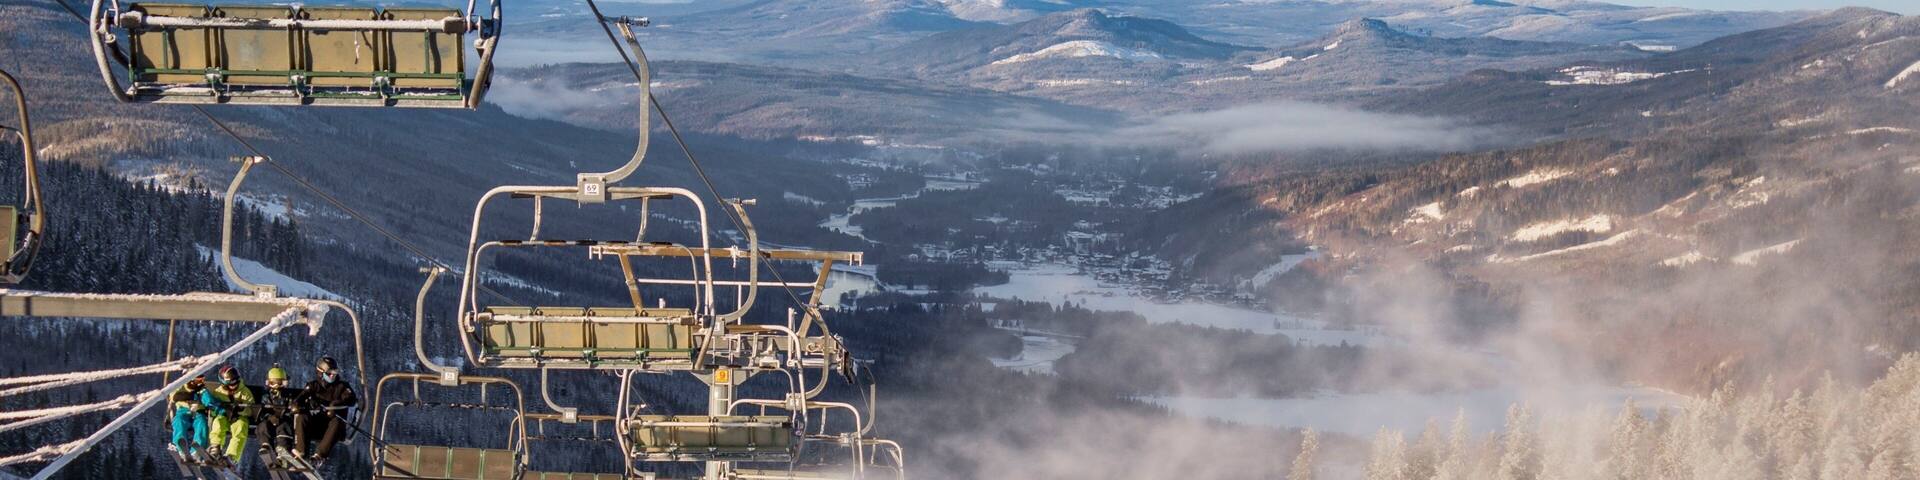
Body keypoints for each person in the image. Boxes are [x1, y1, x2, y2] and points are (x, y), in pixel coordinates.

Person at [293, 356, 357, 466]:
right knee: (302, 417)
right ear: (320, 372)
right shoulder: (313, 386)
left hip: (333, 428)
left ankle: (319, 456)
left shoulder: (342, 386)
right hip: (316, 424)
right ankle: (301, 452)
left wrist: (337, 404)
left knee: (336, 422)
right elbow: (300, 398)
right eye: (329, 373)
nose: (332, 375)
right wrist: (297, 406)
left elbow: (351, 399)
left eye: (334, 372)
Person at [202, 364, 254, 466]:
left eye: (236, 382)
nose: (234, 386)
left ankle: (232, 456)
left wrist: (241, 410)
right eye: (231, 384)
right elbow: (213, 407)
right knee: (218, 422)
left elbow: (251, 408)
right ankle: (215, 447)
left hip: (239, 417)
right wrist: (217, 409)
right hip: (225, 416)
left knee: (241, 428)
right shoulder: (219, 392)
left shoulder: (244, 392)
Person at [254, 364, 302, 466]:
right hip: (270, 423)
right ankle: (266, 445)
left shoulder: (289, 396)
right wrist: (269, 417)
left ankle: (283, 453)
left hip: (284, 422)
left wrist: (290, 412)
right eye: (273, 383)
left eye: (280, 383)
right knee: (263, 425)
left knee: (284, 427)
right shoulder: (266, 396)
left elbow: (293, 411)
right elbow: (262, 412)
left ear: (285, 383)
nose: (276, 386)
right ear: (268, 383)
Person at [167, 375, 210, 462]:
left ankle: (197, 451)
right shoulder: (180, 385)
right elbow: (174, 397)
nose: (201, 382)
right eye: (199, 380)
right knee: (179, 421)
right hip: (183, 411)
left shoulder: (203, 389)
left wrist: (206, 400)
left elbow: (208, 400)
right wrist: (189, 395)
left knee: (202, 423)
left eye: (202, 379)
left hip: (198, 412)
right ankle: (181, 448)